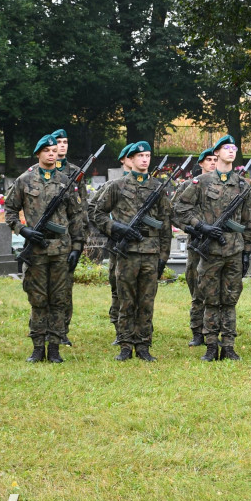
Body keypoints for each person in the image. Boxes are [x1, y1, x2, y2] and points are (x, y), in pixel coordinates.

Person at [174, 135, 251, 361]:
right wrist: (201, 227)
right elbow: (180, 209)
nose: (231, 151)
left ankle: (228, 346)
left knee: (230, 300)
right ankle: (211, 345)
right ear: (216, 153)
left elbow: (248, 221)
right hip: (209, 250)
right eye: (226, 148)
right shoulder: (202, 182)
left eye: (233, 147)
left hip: (234, 250)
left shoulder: (242, 184)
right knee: (210, 299)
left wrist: (248, 250)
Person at [4, 135, 86, 363]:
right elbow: (9, 211)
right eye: (47, 150)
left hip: (61, 249)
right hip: (37, 250)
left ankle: (55, 348)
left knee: (59, 300)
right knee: (38, 299)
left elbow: (76, 216)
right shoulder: (25, 180)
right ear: (38, 154)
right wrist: (23, 230)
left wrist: (77, 247)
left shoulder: (66, 181)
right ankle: (38, 346)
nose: (52, 153)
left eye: (54, 150)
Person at [91, 141, 173, 362]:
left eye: (147, 155)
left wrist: (163, 256)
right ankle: (126, 344)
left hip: (150, 252)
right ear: (131, 159)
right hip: (126, 253)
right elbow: (97, 213)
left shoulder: (157, 187)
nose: (145, 159)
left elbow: (165, 224)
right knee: (126, 299)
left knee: (147, 301)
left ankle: (143, 344)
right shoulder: (116, 186)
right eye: (140, 156)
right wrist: (116, 228)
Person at [171, 146, 217, 348]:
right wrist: (190, 228)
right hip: (197, 243)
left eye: (215, 159)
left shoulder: (224, 185)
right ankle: (197, 331)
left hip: (218, 245)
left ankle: (216, 329)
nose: (213, 163)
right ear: (201, 164)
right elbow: (175, 211)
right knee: (197, 289)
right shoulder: (190, 185)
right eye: (209, 160)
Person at [89, 143, 133, 345]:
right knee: (118, 289)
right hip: (118, 246)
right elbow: (93, 210)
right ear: (124, 161)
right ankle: (120, 328)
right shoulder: (113, 186)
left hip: (140, 247)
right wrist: (112, 228)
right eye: (131, 157)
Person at [49, 129, 88, 347]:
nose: (62, 146)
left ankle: (62, 330)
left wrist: (79, 238)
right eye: (58, 143)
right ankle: (43, 328)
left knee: (65, 286)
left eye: (65, 142)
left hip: (67, 237)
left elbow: (80, 205)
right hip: (45, 238)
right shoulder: (38, 172)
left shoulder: (75, 172)